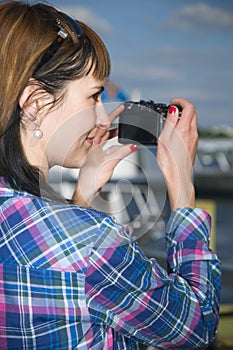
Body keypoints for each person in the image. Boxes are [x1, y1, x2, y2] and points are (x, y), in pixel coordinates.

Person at [0, 1, 221, 349]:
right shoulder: (89, 242)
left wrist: (81, 200)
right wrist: (181, 187)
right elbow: (195, 327)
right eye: (93, 96)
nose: (103, 119)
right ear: (35, 102)